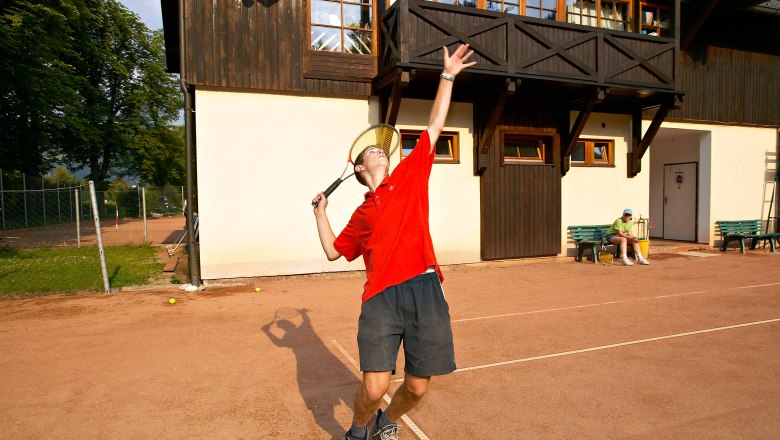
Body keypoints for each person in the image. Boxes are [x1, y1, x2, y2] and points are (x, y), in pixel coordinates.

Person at [312, 44, 476, 440]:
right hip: (381, 298)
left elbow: (435, 125)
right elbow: (333, 251)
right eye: (373, 151)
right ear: (359, 167)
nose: (381, 152)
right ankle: (357, 430)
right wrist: (320, 213)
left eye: (383, 150)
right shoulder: (361, 215)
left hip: (424, 287)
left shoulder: (410, 175)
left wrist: (447, 76)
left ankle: (387, 420)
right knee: (373, 388)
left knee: (417, 387)